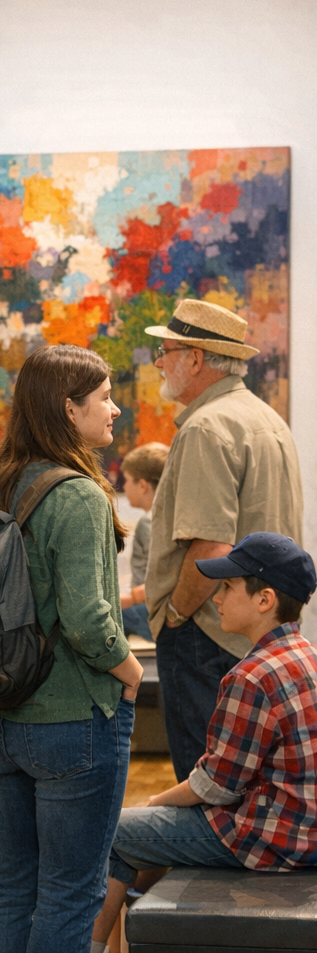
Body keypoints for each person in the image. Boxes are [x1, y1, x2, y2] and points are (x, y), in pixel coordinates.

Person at [0, 344, 144, 953]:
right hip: (73, 717)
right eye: (104, 397)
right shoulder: (78, 495)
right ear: (68, 408)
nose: (115, 409)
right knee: (71, 893)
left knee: (12, 889)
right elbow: (91, 620)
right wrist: (131, 673)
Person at [90, 533, 317, 953]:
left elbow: (214, 785)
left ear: (265, 599)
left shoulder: (250, 676)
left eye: (229, 586)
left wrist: (156, 802)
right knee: (148, 833)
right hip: (305, 829)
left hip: (271, 839)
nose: (217, 596)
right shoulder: (306, 656)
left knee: (117, 832)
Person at [144, 298, 303, 781]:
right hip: (258, 627)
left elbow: (210, 546)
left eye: (165, 350)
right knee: (248, 783)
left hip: (209, 632)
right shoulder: (264, 417)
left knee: (205, 785)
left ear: (194, 358)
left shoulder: (206, 427)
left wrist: (174, 618)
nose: (157, 361)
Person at [118, 442, 169, 641]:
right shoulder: (166, 514)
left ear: (142, 485)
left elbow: (164, 576)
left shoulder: (150, 521)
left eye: (127, 480)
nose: (123, 486)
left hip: (155, 609)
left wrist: (130, 598)